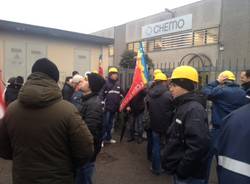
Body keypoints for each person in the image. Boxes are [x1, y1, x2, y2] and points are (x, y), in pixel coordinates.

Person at [0, 58, 94, 184]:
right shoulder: (67, 110)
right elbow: (85, 150)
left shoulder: (12, 110)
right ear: (55, 80)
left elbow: (4, 149)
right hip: (59, 178)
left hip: (23, 178)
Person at [162, 65, 210, 184]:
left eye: (174, 85)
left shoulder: (193, 109)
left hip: (188, 177)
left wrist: (182, 170)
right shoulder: (183, 105)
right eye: (170, 85)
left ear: (185, 86)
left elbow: (198, 146)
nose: (170, 89)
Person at [202, 70, 247, 183]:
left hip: (218, 130)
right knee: (224, 161)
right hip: (234, 130)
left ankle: (204, 180)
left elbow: (205, 91)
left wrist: (217, 82)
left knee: (207, 158)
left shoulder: (220, 91)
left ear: (223, 80)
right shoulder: (242, 92)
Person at [74, 72, 105, 184]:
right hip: (83, 150)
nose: (82, 81)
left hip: (86, 151)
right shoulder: (86, 99)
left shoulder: (93, 104)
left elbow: (89, 131)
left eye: (86, 80)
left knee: (84, 178)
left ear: (91, 86)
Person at [216, 93, 250, 184]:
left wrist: (216, 82)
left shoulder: (232, 117)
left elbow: (207, 92)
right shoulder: (241, 93)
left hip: (225, 127)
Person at [147, 72, 172, 175]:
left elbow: (147, 108)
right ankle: (165, 166)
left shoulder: (150, 93)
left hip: (154, 124)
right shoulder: (168, 94)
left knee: (156, 146)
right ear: (164, 81)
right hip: (167, 125)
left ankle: (155, 168)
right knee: (166, 146)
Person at [101, 67, 123, 144]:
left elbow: (122, 94)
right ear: (110, 75)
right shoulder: (105, 83)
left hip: (114, 108)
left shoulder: (118, 84)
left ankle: (108, 138)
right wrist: (102, 105)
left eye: (116, 74)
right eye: (114, 74)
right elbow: (101, 95)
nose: (115, 75)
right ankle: (102, 140)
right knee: (105, 124)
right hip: (107, 108)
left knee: (110, 124)